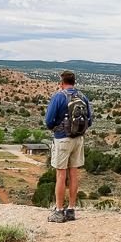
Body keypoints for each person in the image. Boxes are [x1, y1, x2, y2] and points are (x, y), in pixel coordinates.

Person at [44, 70, 92, 222]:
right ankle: (71, 210)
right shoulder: (82, 97)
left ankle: (59, 211)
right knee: (74, 174)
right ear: (74, 82)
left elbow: (48, 121)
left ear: (62, 83)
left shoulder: (59, 96)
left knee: (60, 175)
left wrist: (56, 128)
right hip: (78, 140)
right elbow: (89, 121)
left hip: (62, 139)